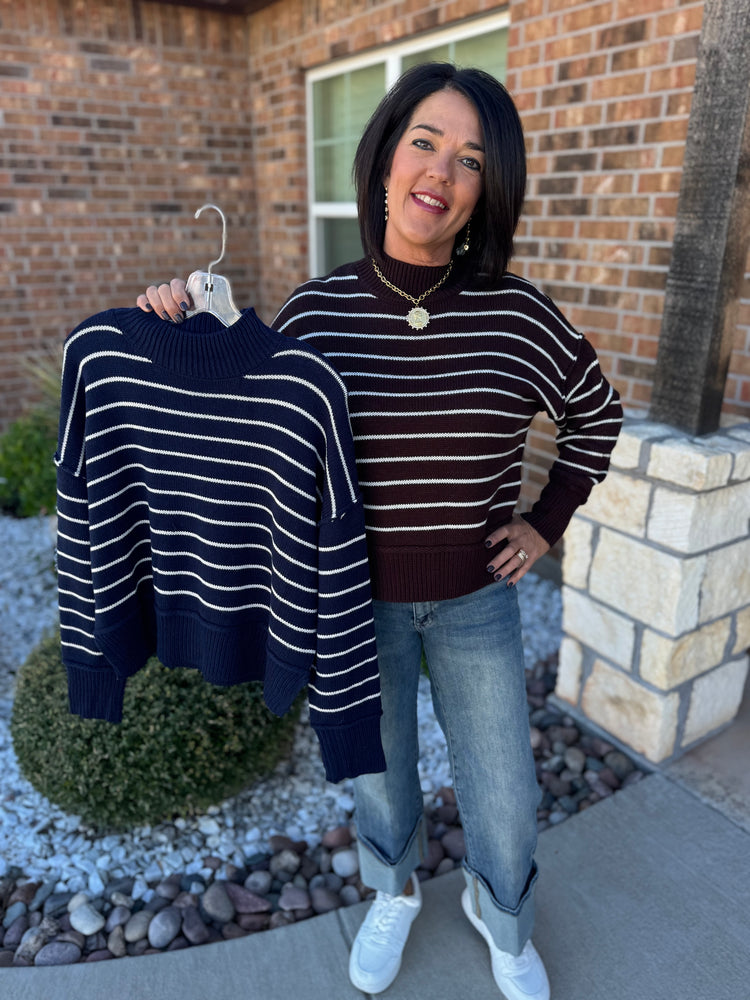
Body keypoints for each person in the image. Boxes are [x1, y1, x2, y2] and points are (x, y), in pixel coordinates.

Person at [136, 63, 623, 1000]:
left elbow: (595, 413)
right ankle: (392, 892)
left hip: (477, 600)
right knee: (382, 778)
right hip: (353, 604)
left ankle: (501, 915)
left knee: (507, 798)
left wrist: (546, 518)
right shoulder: (316, 314)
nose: (441, 170)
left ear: (487, 192)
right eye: (425, 142)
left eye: (471, 159)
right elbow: (253, 436)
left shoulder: (517, 316)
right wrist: (184, 328)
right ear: (387, 159)